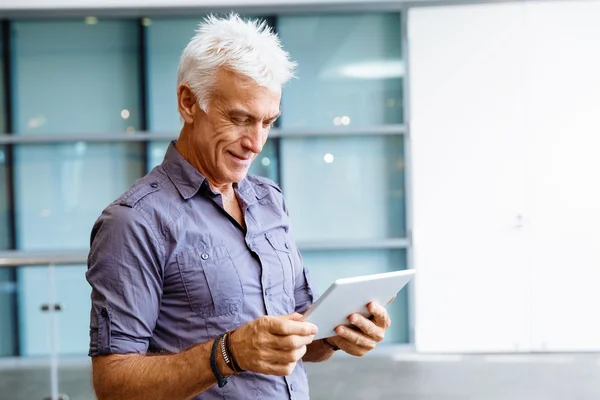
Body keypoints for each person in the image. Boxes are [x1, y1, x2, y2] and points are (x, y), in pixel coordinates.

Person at [86, 14, 392, 400]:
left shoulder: (269, 200)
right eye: (240, 119)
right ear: (188, 102)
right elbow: (113, 386)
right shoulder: (134, 222)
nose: (256, 142)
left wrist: (338, 335)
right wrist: (229, 354)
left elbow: (302, 335)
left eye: (267, 122)